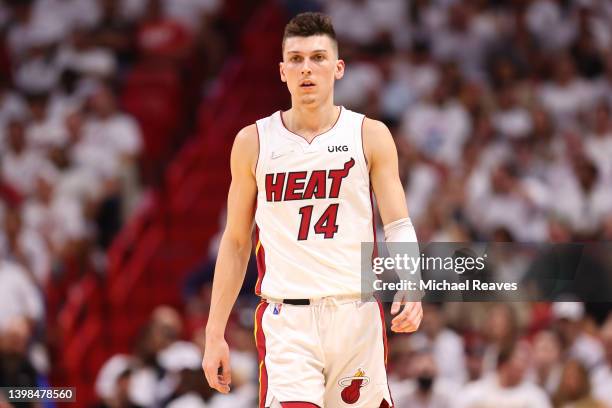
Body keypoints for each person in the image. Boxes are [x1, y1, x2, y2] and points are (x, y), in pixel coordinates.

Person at [202, 12, 422, 408]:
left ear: (338, 68)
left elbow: (398, 222)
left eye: (318, 58)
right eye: (297, 59)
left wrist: (413, 279)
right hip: (289, 321)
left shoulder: (369, 134)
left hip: (356, 315)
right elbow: (236, 241)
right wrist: (214, 332)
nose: (307, 68)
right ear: (282, 70)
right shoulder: (253, 141)